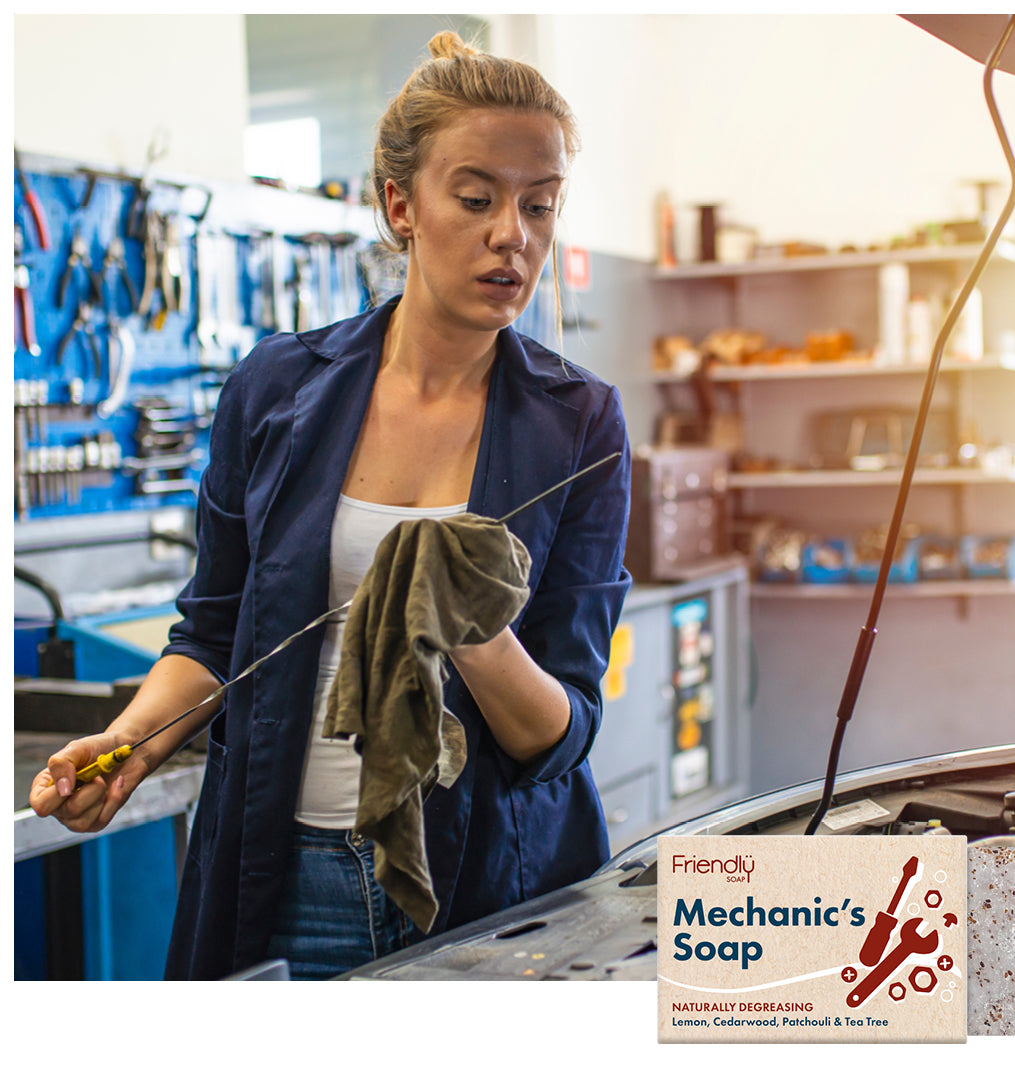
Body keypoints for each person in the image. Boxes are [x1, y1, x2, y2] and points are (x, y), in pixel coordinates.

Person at [29, 31, 632, 980]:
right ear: (401, 204)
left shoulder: (581, 420)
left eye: (539, 205)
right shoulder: (274, 388)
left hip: (482, 890)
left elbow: (559, 734)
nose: (511, 233)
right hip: (283, 877)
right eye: (475, 199)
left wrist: (472, 629)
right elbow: (213, 638)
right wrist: (128, 743)